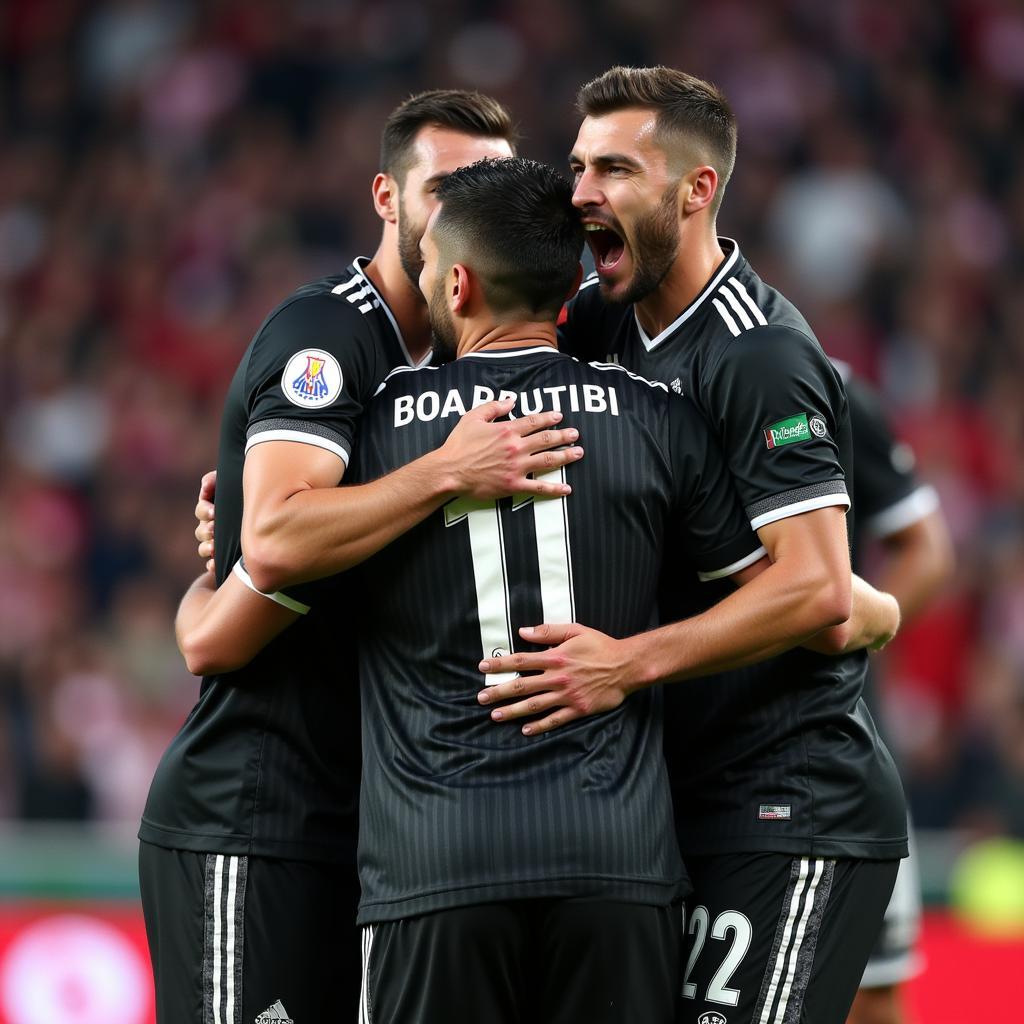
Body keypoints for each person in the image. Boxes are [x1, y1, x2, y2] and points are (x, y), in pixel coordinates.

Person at [138, 91, 583, 1024]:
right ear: (386, 197)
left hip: (386, 836)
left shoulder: (474, 357)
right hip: (258, 818)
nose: (459, 210)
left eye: (484, 189)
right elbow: (272, 544)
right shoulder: (328, 338)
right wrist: (438, 475)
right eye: (441, 188)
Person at [478, 67, 908, 1024]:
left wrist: (625, 666)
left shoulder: (758, 354)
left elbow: (815, 593)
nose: (581, 191)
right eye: (580, 166)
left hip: (789, 800)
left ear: (696, 190)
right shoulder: (596, 324)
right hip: (674, 800)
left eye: (616, 170)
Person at [836, 364, 954, 1024]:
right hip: (684, 741)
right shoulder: (621, 378)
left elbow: (927, 548)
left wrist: (854, 630)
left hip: (841, 741)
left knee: (873, 995)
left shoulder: (828, 385)